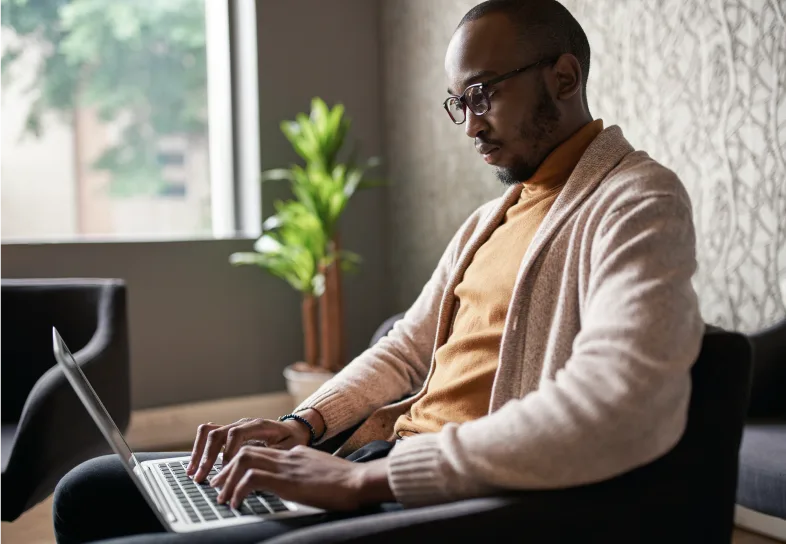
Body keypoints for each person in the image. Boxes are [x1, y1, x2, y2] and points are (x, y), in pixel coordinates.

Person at [53, 0, 703, 542]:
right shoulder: (491, 218)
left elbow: (618, 402)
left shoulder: (637, 201)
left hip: (449, 496)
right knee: (89, 491)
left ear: (564, 77)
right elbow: (404, 350)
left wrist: (361, 480)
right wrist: (297, 428)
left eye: (482, 95)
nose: (470, 126)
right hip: (378, 460)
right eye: (458, 104)